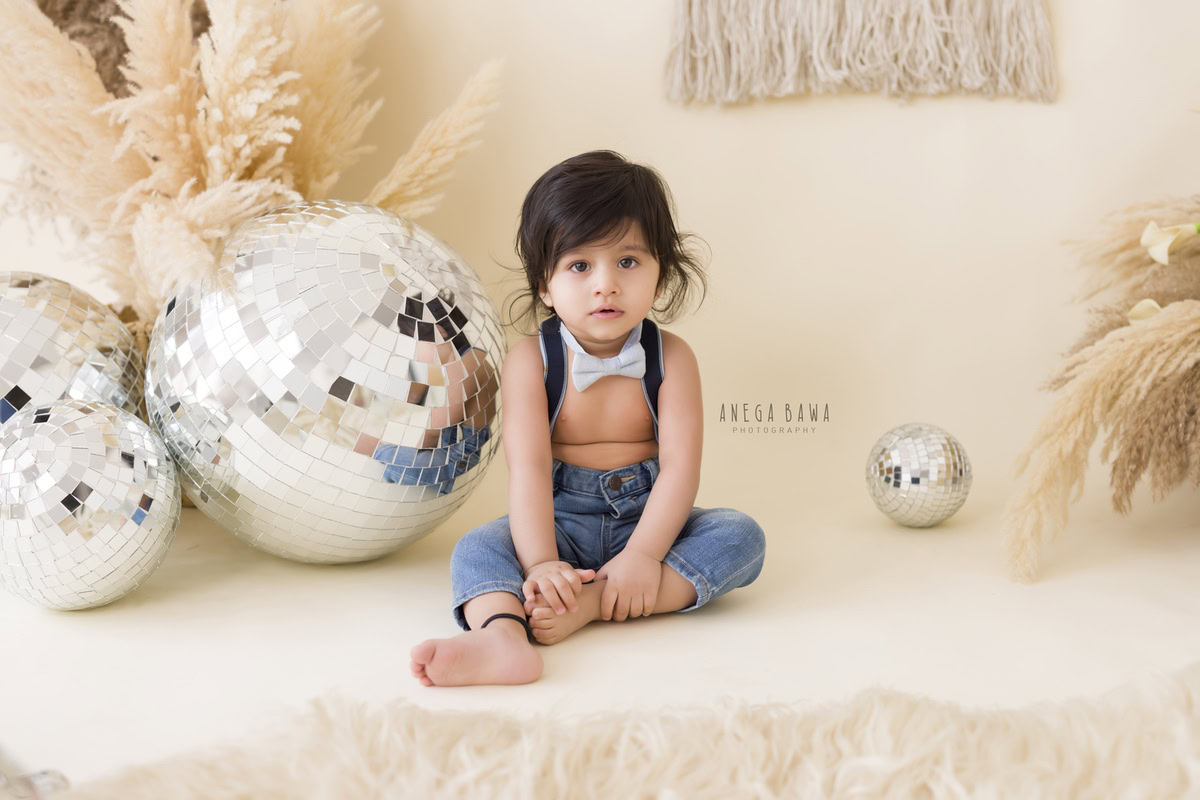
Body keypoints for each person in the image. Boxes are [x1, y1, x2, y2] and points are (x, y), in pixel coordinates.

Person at [410, 150, 766, 687]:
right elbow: (528, 472)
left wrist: (645, 555)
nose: (606, 284)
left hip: (650, 520)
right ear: (545, 287)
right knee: (478, 548)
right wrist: (540, 565)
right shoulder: (532, 360)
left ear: (660, 274)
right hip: (559, 524)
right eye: (580, 266)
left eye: (627, 261)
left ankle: (596, 602)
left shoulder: (674, 358)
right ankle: (502, 637)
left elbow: (679, 471)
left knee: (741, 536)